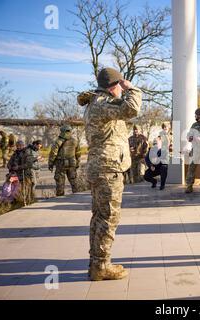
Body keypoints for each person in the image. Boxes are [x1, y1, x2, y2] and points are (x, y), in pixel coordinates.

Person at [78, 67, 141, 281]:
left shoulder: (95, 104)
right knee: (108, 219)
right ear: (114, 87)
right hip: (108, 168)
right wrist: (132, 89)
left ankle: (96, 262)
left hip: (100, 167)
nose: (122, 91)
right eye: (120, 87)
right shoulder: (103, 104)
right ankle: (101, 266)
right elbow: (132, 109)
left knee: (99, 217)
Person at [48, 125, 81, 196]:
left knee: (60, 182)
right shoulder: (75, 141)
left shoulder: (58, 141)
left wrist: (50, 164)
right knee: (74, 181)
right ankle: (78, 196)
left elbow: (53, 154)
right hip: (72, 164)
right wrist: (77, 163)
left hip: (61, 164)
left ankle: (60, 198)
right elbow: (78, 153)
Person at [21, 140, 42, 204]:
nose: (39, 148)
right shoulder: (28, 150)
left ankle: (31, 198)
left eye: (40, 147)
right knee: (33, 184)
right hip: (30, 169)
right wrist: (36, 158)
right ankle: (30, 199)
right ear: (35, 144)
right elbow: (28, 159)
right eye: (38, 146)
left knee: (33, 184)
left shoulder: (36, 150)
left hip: (36, 170)